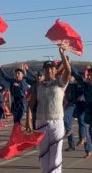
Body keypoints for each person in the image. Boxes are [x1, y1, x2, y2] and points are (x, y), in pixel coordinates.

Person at [26, 44, 71, 173]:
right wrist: (28, 121)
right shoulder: (38, 85)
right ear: (44, 70)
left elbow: (68, 71)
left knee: (56, 158)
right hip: (41, 122)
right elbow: (31, 104)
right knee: (43, 155)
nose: (49, 71)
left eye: (52, 68)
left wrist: (62, 54)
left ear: (55, 70)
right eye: (47, 69)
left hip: (56, 122)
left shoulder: (60, 83)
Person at [63, 75, 80, 151]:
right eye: (68, 75)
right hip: (67, 104)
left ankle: (88, 148)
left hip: (74, 105)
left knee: (65, 115)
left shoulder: (76, 85)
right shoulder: (65, 84)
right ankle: (72, 145)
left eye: (71, 76)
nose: (69, 77)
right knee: (68, 124)